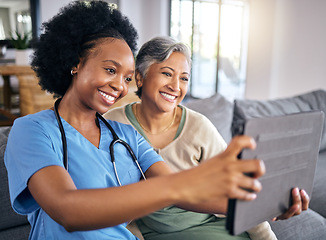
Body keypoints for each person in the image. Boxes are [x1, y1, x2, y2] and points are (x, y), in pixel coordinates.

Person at [4, 2, 268, 239]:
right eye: (110, 70)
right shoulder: (32, 130)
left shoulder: (126, 136)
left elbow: (185, 195)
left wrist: (260, 204)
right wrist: (184, 184)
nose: (119, 86)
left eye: (127, 78)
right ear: (76, 63)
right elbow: (68, 211)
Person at [105, 36, 310, 240]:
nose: (175, 86)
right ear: (140, 77)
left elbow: (237, 186)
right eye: (167, 74)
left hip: (207, 225)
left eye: (184, 78)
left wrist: (265, 233)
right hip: (147, 231)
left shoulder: (199, 127)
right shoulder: (112, 123)